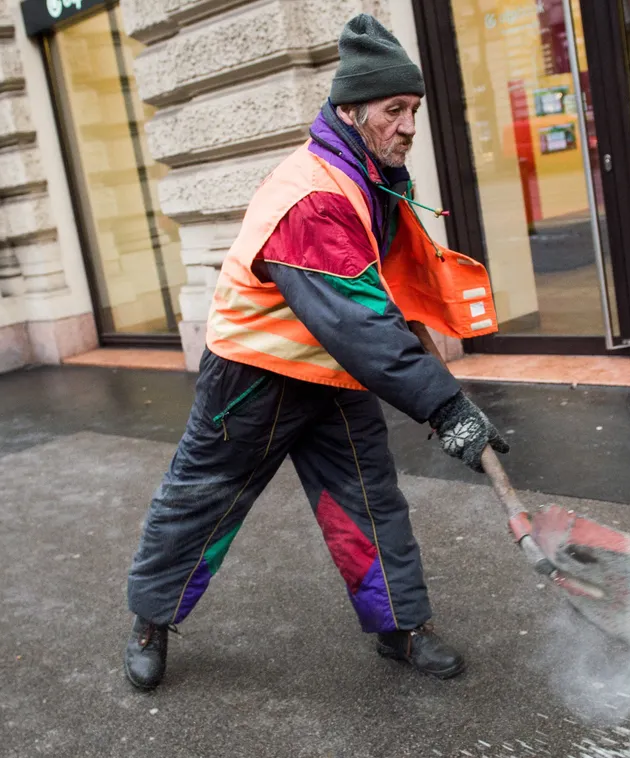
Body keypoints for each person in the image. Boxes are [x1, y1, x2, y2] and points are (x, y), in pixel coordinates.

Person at [122, 13, 508, 691]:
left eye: (413, 109)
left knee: (368, 501)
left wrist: (440, 389)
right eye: (394, 110)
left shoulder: (369, 175)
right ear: (351, 110)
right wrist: (445, 408)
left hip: (334, 373)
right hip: (253, 376)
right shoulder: (310, 196)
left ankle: (400, 626)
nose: (408, 125)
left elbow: (374, 300)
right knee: (202, 501)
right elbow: (358, 322)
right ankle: (150, 620)